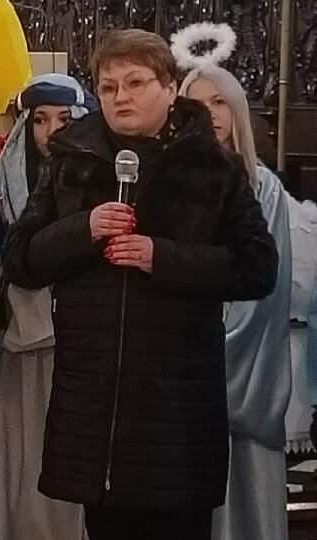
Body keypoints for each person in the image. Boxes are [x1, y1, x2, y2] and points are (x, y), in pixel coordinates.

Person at [1, 28, 278, 540]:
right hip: (96, 414)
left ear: (169, 88)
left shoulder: (212, 167)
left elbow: (258, 267)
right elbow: (20, 258)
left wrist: (163, 257)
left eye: (135, 83)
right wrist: (82, 230)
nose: (120, 97)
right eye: (108, 87)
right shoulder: (72, 161)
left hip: (176, 414)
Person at [181, 64, 292, 540]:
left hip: (242, 366)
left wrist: (214, 353)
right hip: (184, 366)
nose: (210, 114)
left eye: (219, 102)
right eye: (198, 104)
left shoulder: (264, 188)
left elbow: (267, 283)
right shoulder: (175, 187)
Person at [0, 73, 94, 540]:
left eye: (64, 120)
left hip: (79, 347)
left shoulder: (99, 178)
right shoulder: (1, 185)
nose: (51, 132)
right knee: (17, 459)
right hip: (17, 345)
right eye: (41, 120)